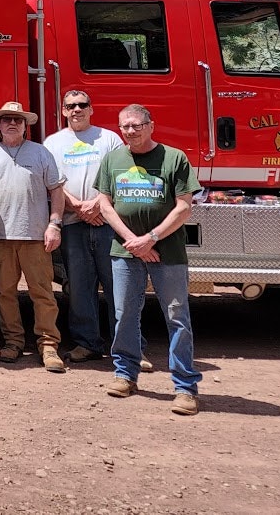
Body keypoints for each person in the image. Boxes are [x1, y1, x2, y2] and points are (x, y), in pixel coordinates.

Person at [94, 104, 202, 416]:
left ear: (150, 125)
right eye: (124, 126)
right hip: (125, 250)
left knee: (177, 317)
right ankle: (126, 375)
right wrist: (133, 241)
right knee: (125, 313)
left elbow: (184, 207)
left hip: (166, 251)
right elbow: (104, 203)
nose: (130, 131)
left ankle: (185, 388)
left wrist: (150, 238)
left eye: (136, 125)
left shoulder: (174, 158)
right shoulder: (113, 159)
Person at [0, 100, 67, 371]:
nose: (13, 123)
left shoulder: (41, 153)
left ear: (26, 126)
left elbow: (57, 190)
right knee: (5, 292)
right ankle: (13, 342)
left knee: (42, 292)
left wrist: (54, 224)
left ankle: (48, 345)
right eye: (7, 119)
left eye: (18, 120)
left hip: (36, 236)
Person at [42, 90, 125, 363]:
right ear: (63, 111)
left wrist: (97, 206)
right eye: (70, 106)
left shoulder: (109, 139)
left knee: (118, 286)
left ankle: (126, 348)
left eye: (82, 105)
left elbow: (118, 178)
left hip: (106, 222)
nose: (76, 110)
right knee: (79, 286)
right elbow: (53, 182)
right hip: (72, 223)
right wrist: (78, 206)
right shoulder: (53, 143)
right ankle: (86, 343)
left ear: (91, 109)